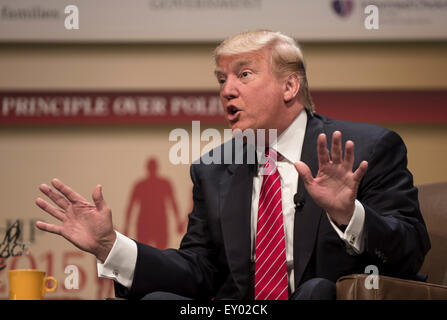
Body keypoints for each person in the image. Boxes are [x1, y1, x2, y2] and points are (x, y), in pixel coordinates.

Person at [34, 30, 430, 300]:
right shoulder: (214, 169)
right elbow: (199, 271)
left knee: (316, 292)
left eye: (244, 74)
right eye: (221, 79)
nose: (227, 90)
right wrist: (110, 246)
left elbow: (410, 252)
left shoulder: (366, 148)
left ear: (290, 86)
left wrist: (349, 214)